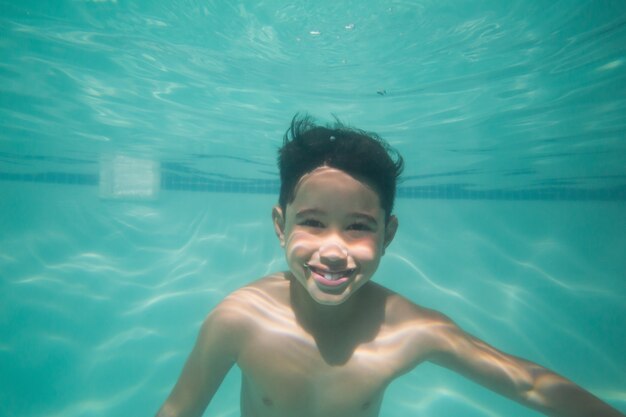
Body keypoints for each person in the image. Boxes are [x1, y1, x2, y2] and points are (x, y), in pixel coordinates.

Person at [156, 115, 624, 417]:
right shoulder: (240, 319)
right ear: (281, 226)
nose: (335, 250)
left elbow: (528, 386)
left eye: (358, 226)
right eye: (313, 223)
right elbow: (179, 411)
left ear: (389, 235)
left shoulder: (413, 331)